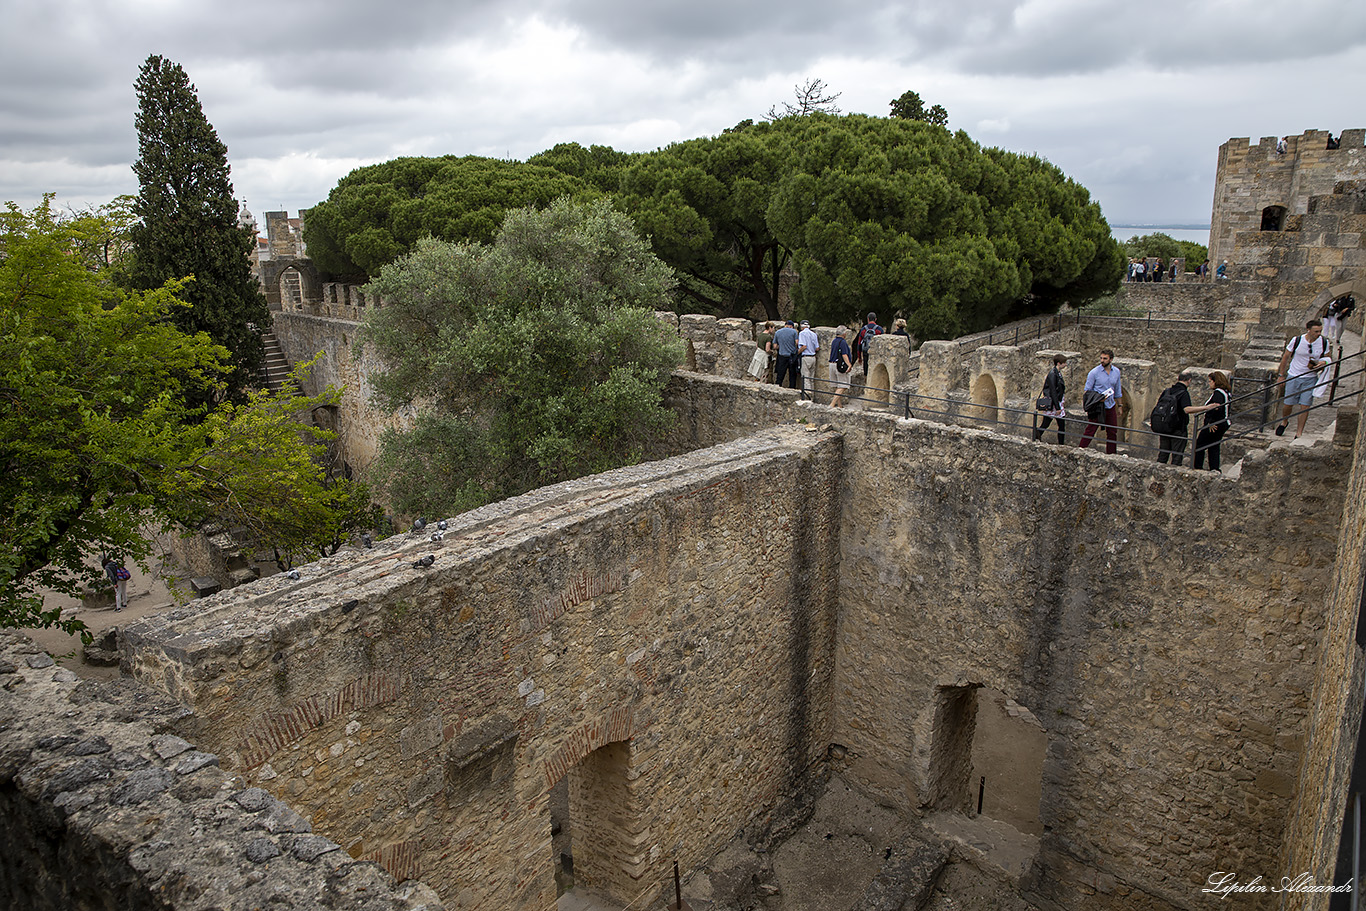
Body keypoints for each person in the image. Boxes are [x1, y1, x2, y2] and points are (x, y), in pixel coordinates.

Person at [1274, 319, 1329, 438]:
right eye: (1316, 331)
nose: (1318, 334)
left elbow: (1328, 358)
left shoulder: (1324, 342)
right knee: (1288, 404)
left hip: (1310, 378)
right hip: (1294, 375)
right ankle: (1284, 421)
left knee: (1305, 406)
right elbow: (1285, 357)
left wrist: (1323, 362)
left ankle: (1299, 433)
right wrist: (1281, 375)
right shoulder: (1297, 340)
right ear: (1308, 330)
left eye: (1320, 331)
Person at [1079, 349, 1121, 454]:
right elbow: (1087, 391)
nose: (1102, 360)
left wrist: (1120, 405)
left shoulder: (1116, 372)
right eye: (1101, 358)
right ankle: (1080, 450)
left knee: (1112, 431)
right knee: (1091, 429)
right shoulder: (1094, 373)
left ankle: (1111, 454)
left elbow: (1118, 389)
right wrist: (1098, 398)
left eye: (1105, 358)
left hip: (1110, 405)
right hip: (1098, 406)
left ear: (1111, 359)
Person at [1191, 372, 1232, 471]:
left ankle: (1198, 467)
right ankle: (1214, 468)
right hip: (1224, 422)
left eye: (1210, 381)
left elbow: (1216, 408)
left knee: (1200, 445)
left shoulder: (1218, 393)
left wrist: (1210, 423)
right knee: (1213, 446)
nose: (1209, 384)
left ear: (1215, 381)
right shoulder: (1226, 392)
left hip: (1215, 424)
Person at [1154, 370, 1193, 466]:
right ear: (1189, 380)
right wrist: (1205, 408)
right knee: (1177, 456)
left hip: (1165, 427)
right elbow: (1186, 409)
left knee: (1163, 455)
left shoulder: (1167, 391)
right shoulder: (1184, 393)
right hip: (1178, 429)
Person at [1033, 354, 1068, 444]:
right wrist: (1058, 407)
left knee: (1047, 423)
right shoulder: (1053, 374)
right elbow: (1053, 391)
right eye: (1064, 363)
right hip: (1054, 404)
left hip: (1055, 403)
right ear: (1059, 363)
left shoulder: (1057, 373)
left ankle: (1036, 437)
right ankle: (1061, 444)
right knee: (1060, 425)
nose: (1066, 365)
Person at [828, 327, 854, 408]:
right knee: (843, 385)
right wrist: (849, 365)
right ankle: (832, 404)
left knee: (837, 386)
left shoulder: (834, 341)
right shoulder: (842, 342)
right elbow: (844, 354)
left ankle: (839, 405)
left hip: (832, 364)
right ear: (844, 334)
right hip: (839, 365)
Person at [853, 312, 883, 379]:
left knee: (866, 371)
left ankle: (866, 384)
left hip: (865, 352)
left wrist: (859, 357)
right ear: (875, 319)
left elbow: (859, 344)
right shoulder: (879, 329)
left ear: (868, 319)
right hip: (875, 353)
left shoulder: (863, 329)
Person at [773, 319, 800, 389]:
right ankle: (792, 389)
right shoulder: (794, 332)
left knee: (780, 375)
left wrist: (781, 346)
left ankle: (777, 388)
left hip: (782, 355)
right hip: (792, 356)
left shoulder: (777, 332)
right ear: (791, 326)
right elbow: (797, 343)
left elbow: (775, 346)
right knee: (792, 375)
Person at [797, 319, 819, 395]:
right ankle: (812, 395)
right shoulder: (814, 334)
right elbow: (817, 348)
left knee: (805, 378)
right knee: (811, 379)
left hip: (806, 357)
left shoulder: (802, 334)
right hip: (813, 357)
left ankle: (807, 396)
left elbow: (804, 346)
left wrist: (797, 353)